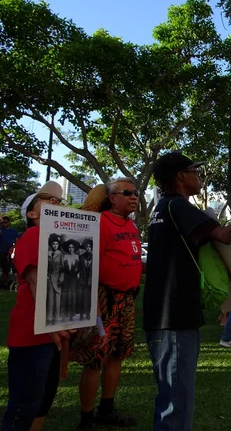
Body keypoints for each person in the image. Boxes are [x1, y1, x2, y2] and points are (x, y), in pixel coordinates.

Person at [144, 152, 231, 430]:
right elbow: (224, 235)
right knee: (176, 402)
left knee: (172, 398)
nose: (199, 176)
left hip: (168, 314)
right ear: (180, 176)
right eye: (195, 169)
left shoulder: (163, 209)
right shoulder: (178, 206)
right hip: (173, 316)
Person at [2, 181, 75, 431]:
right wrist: (53, 323)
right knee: (25, 403)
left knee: (42, 401)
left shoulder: (61, 239)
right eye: (45, 199)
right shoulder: (34, 234)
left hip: (52, 329)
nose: (55, 201)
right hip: (32, 332)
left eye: (57, 199)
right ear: (31, 214)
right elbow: (35, 280)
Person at [77, 178, 144, 429]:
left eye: (135, 193)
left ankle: (106, 409)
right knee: (96, 359)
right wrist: (94, 308)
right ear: (112, 197)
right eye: (127, 193)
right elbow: (89, 267)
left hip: (126, 300)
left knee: (117, 356)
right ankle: (86, 418)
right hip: (104, 299)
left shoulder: (130, 224)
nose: (134, 197)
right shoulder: (101, 223)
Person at [46, 235, 63, 325]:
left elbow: (63, 268)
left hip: (57, 279)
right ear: (51, 244)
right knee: (50, 298)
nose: (55, 245)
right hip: (49, 278)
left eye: (56, 244)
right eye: (53, 244)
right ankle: (49, 316)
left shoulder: (60, 254)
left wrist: (61, 278)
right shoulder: (48, 253)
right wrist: (46, 275)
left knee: (57, 298)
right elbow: (46, 266)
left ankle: (57, 316)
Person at [62, 240, 80, 322]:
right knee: (66, 296)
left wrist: (78, 275)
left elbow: (79, 268)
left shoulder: (77, 257)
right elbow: (62, 268)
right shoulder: (65, 256)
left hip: (74, 279)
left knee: (73, 295)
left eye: (72, 247)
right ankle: (65, 314)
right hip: (66, 278)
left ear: (74, 248)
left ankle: (72, 314)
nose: (71, 249)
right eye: (69, 247)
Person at [0, 216, 18, 288]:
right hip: (0, 252)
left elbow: (17, 242)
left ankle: (5, 284)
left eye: (5, 222)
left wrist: (12, 249)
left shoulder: (13, 231)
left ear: (9, 222)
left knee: (6, 270)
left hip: (8, 253)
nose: (3, 224)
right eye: (2, 222)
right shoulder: (1, 230)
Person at [78, 239, 93, 321]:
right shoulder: (81, 257)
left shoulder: (94, 257)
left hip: (90, 280)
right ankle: (81, 314)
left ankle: (87, 313)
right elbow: (79, 267)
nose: (88, 248)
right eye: (86, 246)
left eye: (89, 246)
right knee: (81, 297)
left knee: (88, 297)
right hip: (82, 280)